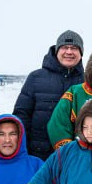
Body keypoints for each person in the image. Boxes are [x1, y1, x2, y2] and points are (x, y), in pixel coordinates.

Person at [13, 30, 85, 160]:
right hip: (39, 156)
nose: (69, 52)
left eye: (74, 48)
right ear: (56, 50)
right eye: (64, 47)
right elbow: (22, 115)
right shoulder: (36, 77)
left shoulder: (88, 81)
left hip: (78, 157)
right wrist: (22, 152)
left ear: (81, 53)